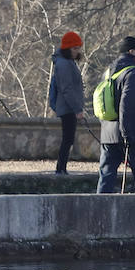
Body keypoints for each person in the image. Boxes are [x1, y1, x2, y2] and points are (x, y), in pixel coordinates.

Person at [97, 35, 135, 193]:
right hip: (129, 133)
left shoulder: (109, 71)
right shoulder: (133, 73)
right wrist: (127, 133)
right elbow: (127, 105)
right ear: (131, 51)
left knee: (106, 177)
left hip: (108, 132)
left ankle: (99, 209)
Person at [47, 31, 86, 175]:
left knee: (68, 138)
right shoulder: (64, 64)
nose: (77, 51)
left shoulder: (67, 62)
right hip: (67, 107)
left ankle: (62, 168)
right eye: (75, 48)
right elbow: (67, 89)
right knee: (67, 139)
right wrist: (77, 109)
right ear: (67, 48)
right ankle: (60, 169)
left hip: (69, 107)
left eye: (78, 48)